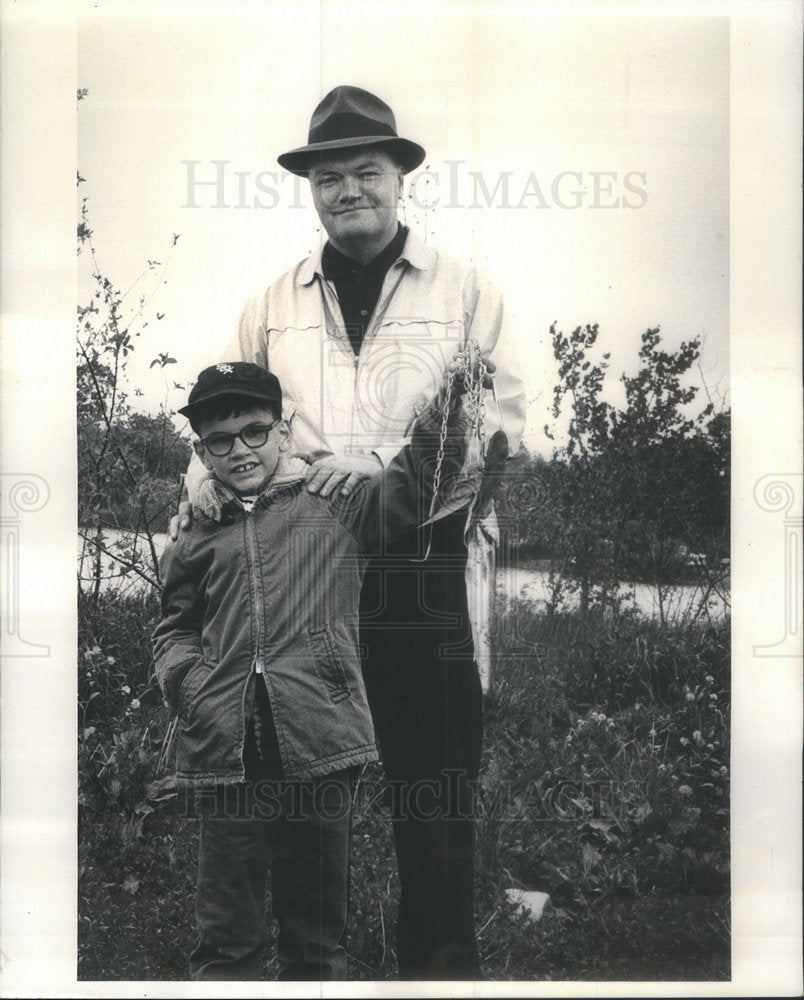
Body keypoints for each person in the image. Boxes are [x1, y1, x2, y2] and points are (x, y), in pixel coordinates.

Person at [173, 85, 526, 979]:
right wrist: (205, 493)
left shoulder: (467, 293)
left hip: (423, 568)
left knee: (433, 787)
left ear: (399, 178)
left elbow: (502, 425)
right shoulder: (272, 304)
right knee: (296, 784)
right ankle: (302, 966)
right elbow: (223, 425)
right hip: (299, 572)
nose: (347, 192)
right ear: (312, 189)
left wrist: (384, 476)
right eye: (328, 178)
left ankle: (439, 973)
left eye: (366, 171)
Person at [154, 358, 477, 981]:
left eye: (254, 430)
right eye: (219, 441)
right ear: (202, 449)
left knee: (316, 940)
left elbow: (412, 491)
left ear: (283, 429)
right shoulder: (196, 529)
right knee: (225, 941)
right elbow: (175, 625)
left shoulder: (335, 503)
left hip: (322, 751)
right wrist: (188, 684)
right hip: (226, 759)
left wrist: (445, 416)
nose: (240, 450)